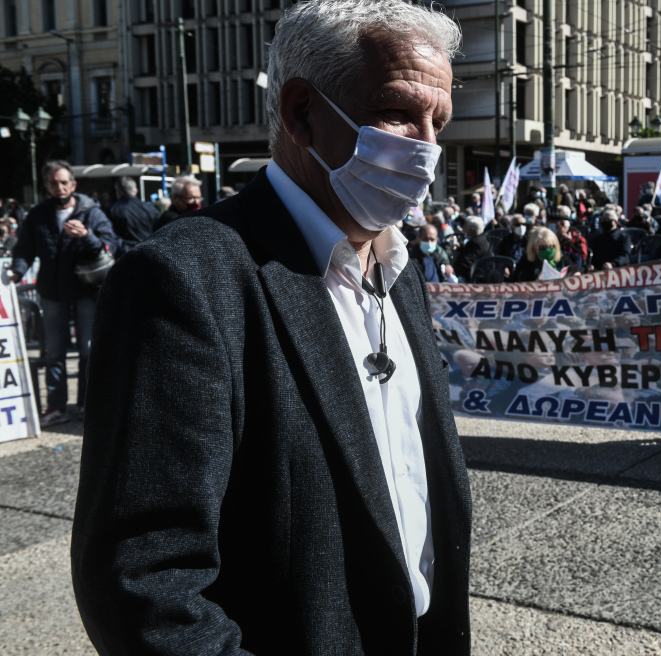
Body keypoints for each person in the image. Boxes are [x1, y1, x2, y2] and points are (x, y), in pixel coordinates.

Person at [71, 1, 472, 653]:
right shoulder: (184, 280)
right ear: (301, 112)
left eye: (439, 122)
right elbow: (144, 586)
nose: (426, 147)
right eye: (398, 112)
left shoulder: (402, 270)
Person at [6, 161, 119, 426]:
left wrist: (87, 236)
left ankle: (86, 405)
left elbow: (110, 245)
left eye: (64, 182)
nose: (59, 187)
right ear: (46, 185)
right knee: (54, 351)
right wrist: (16, 273)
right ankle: (56, 407)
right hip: (52, 292)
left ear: (73, 185)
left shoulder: (92, 212)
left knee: (88, 351)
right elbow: (24, 249)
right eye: (54, 183)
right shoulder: (38, 214)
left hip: (85, 291)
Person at [106, 176, 161, 255]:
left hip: (123, 255)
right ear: (136, 191)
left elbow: (109, 235)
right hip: (148, 253)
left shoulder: (112, 209)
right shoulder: (151, 209)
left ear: (118, 191)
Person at [509, 226, 577, 281]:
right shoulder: (526, 262)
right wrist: (535, 283)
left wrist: (576, 274)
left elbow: (575, 269)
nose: (547, 250)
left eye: (551, 246)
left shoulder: (562, 259)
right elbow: (515, 281)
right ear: (533, 247)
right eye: (542, 247)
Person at [453, 214, 490, 280]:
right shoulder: (481, 238)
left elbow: (466, 261)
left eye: (465, 225)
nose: (463, 227)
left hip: (474, 278)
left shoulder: (476, 242)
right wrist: (461, 247)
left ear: (472, 229)